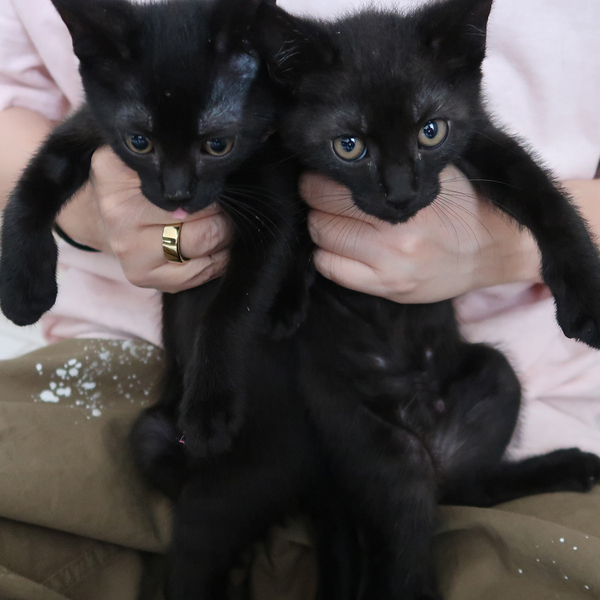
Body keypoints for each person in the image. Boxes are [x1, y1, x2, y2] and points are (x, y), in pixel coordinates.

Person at [0, 0, 599, 598]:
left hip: (497, 394)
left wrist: (508, 250)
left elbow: (498, 161)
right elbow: (14, 114)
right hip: (139, 371)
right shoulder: (262, 92)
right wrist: (97, 218)